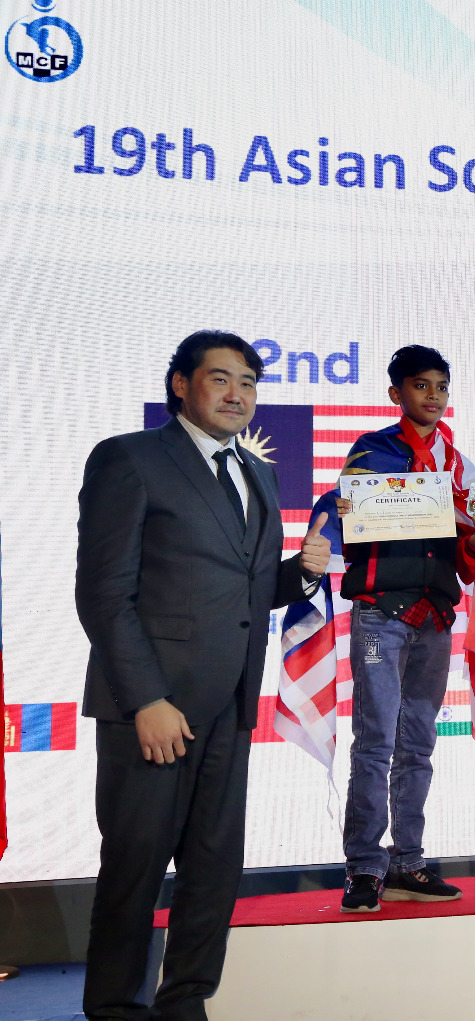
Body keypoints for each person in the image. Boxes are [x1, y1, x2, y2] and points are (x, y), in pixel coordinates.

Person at [77, 330, 332, 1020]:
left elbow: (244, 590)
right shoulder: (129, 459)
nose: (237, 394)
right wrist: (147, 699)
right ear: (181, 385)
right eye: (220, 379)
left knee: (214, 867)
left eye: (248, 383)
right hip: (152, 708)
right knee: (135, 868)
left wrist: (301, 574)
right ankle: (115, 1007)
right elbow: (104, 595)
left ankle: (186, 1000)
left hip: (231, 705)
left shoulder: (258, 473)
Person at [332, 345, 475, 913]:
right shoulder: (372, 451)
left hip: (434, 614)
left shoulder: (459, 465)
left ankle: (408, 861)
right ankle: (364, 866)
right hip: (381, 610)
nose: (433, 396)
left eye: (441, 387)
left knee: (418, 744)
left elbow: (468, 558)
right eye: (421, 385)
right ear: (395, 393)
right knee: (375, 741)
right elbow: (350, 522)